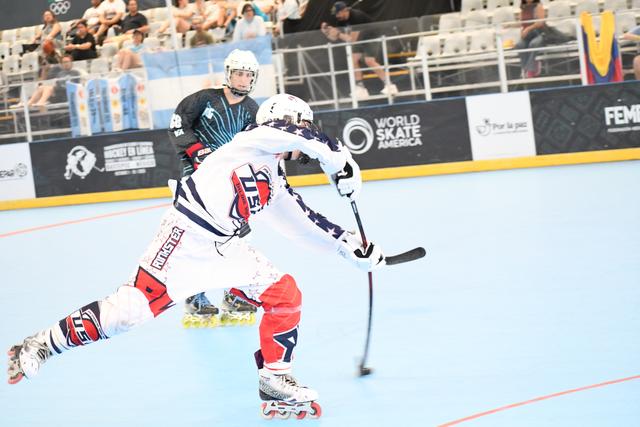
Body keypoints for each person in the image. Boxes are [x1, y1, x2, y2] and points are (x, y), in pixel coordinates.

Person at [7, 93, 385, 418]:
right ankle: (42, 343)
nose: (305, 140)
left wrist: (348, 244)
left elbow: (300, 222)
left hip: (225, 246)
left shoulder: (272, 174)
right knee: (127, 313)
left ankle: (275, 378)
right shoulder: (251, 141)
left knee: (284, 293)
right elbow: (291, 133)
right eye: (303, 127)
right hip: (184, 239)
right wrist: (339, 159)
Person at [168, 49, 260, 324]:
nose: (243, 79)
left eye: (248, 75)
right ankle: (194, 297)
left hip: (229, 183)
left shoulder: (253, 110)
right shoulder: (203, 99)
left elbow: (255, 146)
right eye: (238, 73)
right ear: (228, 74)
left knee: (238, 238)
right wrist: (196, 150)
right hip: (197, 180)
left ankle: (234, 294)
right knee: (198, 238)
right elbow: (177, 124)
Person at [320, 1, 398, 99]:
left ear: (345, 10)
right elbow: (335, 38)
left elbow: (350, 39)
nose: (336, 16)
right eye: (335, 14)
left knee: (369, 61)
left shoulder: (357, 16)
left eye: (338, 13)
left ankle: (390, 85)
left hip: (371, 36)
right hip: (359, 38)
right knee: (353, 60)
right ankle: (361, 88)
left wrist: (338, 33)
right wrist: (327, 32)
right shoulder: (340, 20)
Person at [515, 0, 545, 78]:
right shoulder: (523, 8)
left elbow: (540, 23)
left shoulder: (538, 6)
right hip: (527, 36)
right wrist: (522, 32)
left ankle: (530, 69)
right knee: (519, 45)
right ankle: (525, 68)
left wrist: (528, 29)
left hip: (538, 34)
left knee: (533, 44)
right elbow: (521, 24)